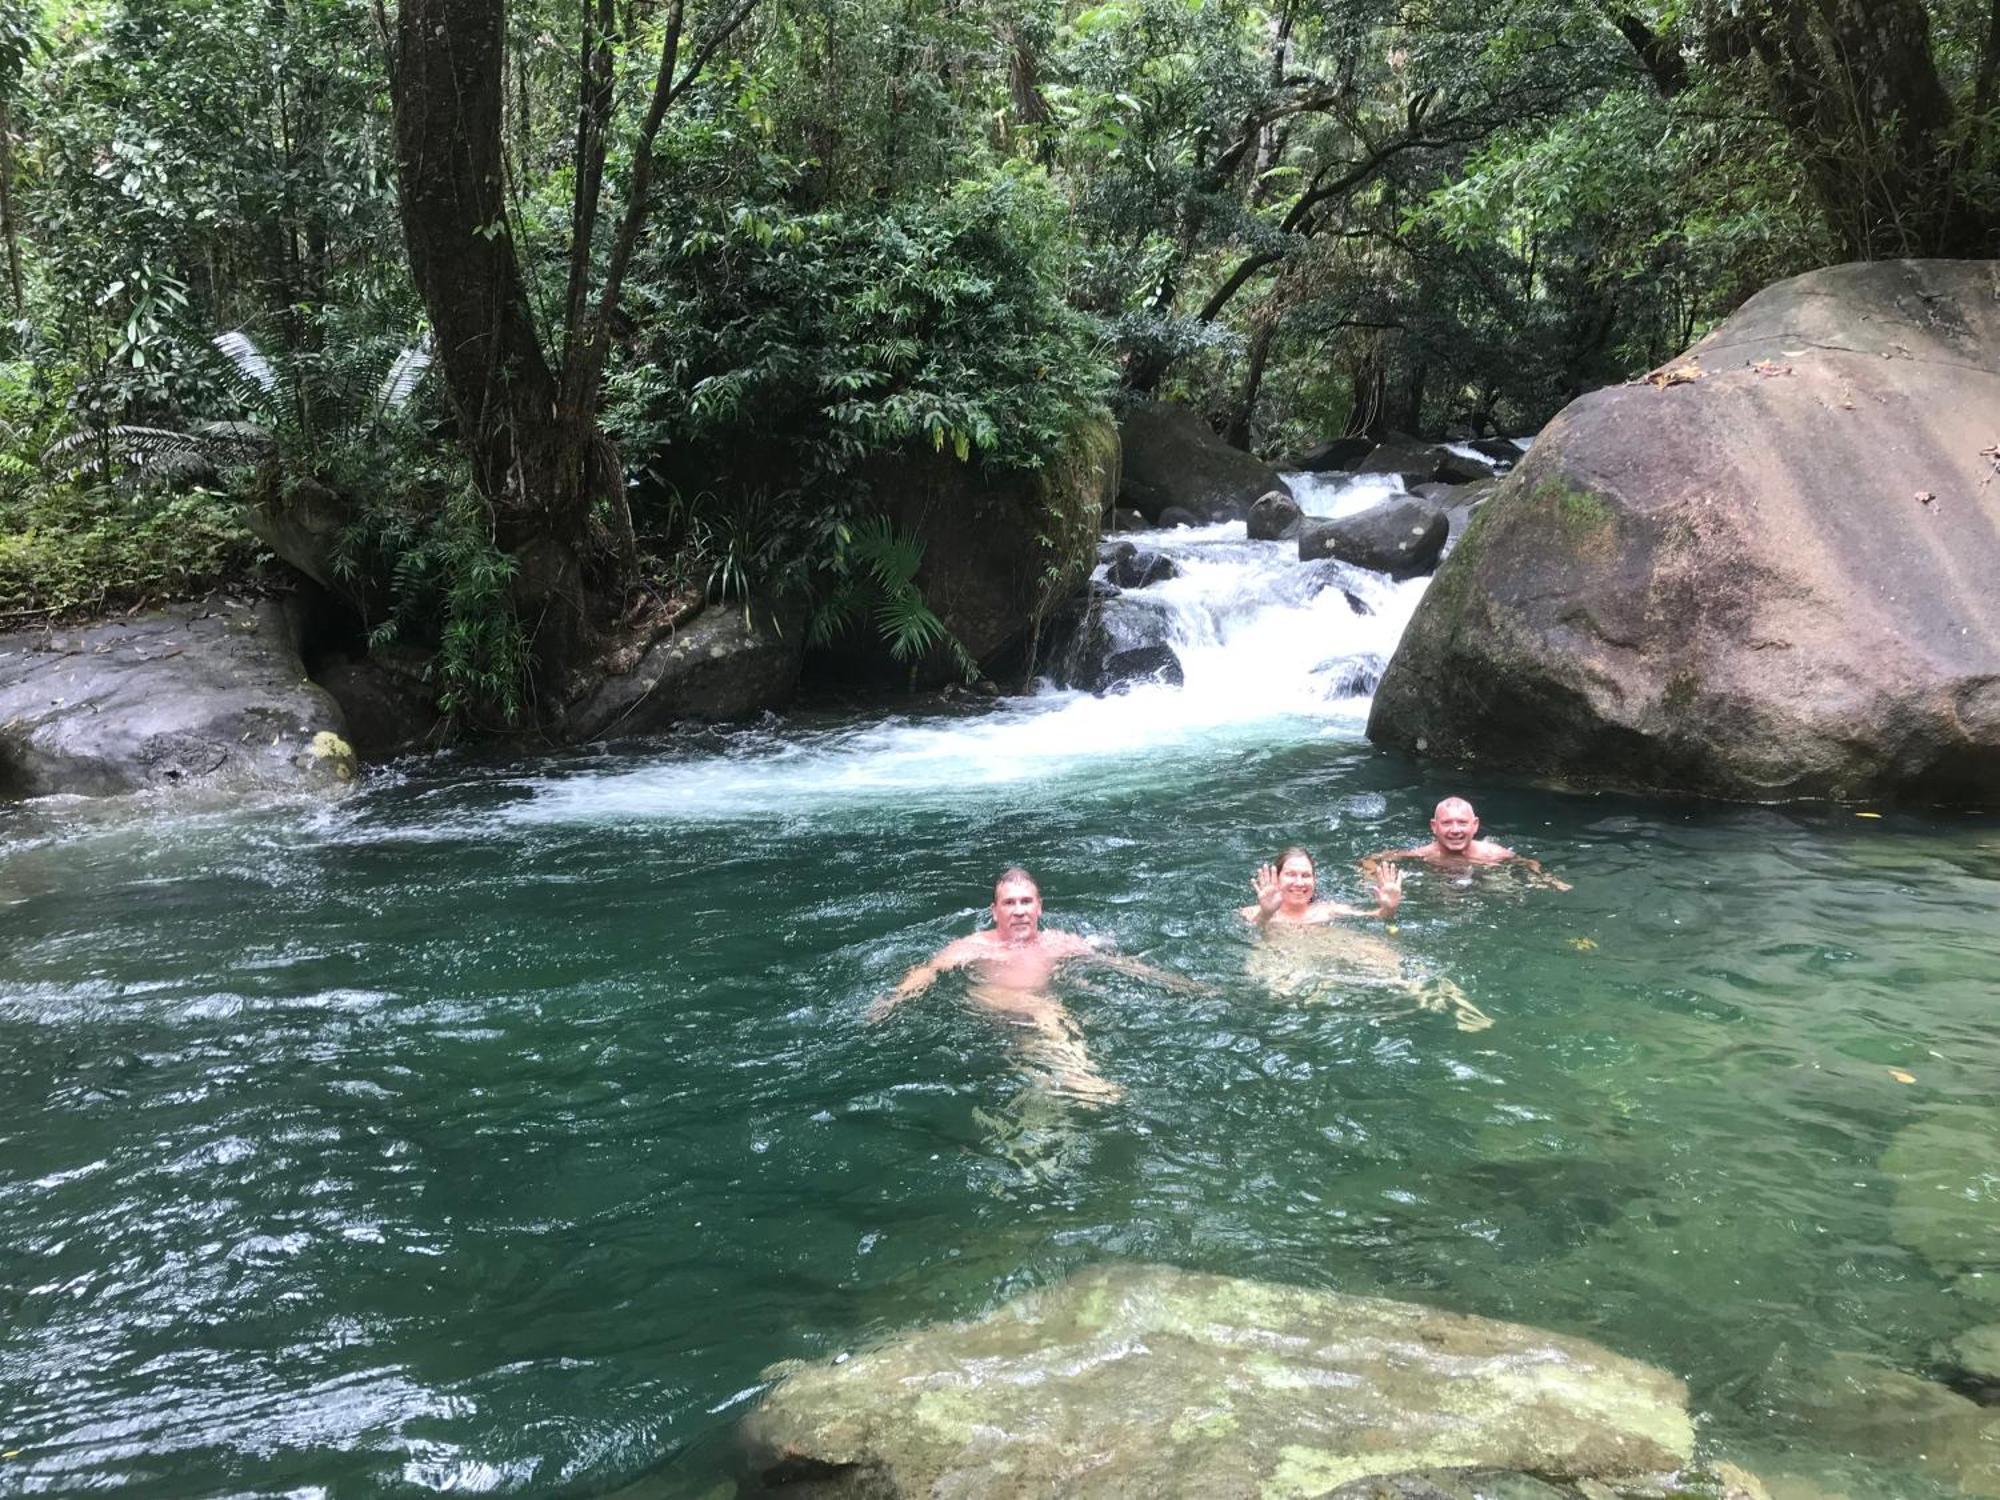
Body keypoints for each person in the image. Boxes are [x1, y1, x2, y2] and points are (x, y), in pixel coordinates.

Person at [869, 867, 1198, 1104]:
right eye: (1009, 903)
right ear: (994, 910)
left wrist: (1180, 985)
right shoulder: (974, 946)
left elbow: (1121, 964)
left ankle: (1049, 1090)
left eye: (1026, 902)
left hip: (1035, 1008)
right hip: (991, 1003)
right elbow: (927, 971)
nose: (1019, 911)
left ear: (1039, 906)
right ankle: (1081, 1078)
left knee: (1065, 1018)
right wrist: (893, 1000)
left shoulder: (1058, 943)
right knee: (1046, 1011)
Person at [1359, 797, 1571, 891]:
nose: (1455, 830)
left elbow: (1527, 862)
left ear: (1475, 825)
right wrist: (1368, 877)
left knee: (1504, 889)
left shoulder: (1492, 853)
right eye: (1447, 823)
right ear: (1434, 826)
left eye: (1462, 823)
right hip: (1442, 882)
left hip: (1482, 877)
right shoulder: (1424, 853)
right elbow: (1370, 859)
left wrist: (1548, 880)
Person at [1241, 846, 1402, 928]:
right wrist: (1266, 914)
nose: (1299, 882)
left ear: (1314, 880)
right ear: (1276, 879)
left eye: (1306, 875)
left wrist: (1389, 909)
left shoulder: (1327, 910)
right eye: (1291, 874)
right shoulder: (1252, 913)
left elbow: (1377, 916)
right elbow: (1253, 931)